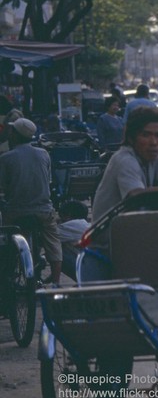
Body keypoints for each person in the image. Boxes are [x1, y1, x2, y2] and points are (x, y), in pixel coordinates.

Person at [89, 106, 158, 398]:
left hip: (137, 243)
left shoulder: (153, 158)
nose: (155, 141)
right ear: (132, 136)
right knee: (120, 331)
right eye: (148, 135)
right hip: (109, 250)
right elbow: (137, 198)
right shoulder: (125, 159)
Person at [0, 118, 62, 286]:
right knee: (53, 241)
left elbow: (2, 189)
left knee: (4, 239)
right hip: (43, 211)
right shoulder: (44, 154)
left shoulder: (6, 158)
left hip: (15, 212)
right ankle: (56, 282)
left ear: (16, 135)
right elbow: (47, 180)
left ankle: (7, 276)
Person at [57, 200, 90, 282]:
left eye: (61, 218)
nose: (60, 221)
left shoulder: (70, 226)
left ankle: (82, 281)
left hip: (86, 268)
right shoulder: (84, 224)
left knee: (55, 253)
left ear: (68, 215)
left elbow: (50, 237)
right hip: (92, 264)